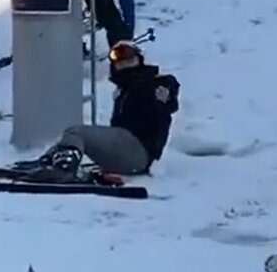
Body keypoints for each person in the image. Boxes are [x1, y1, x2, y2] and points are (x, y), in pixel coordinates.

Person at [31, 40, 179, 176]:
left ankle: (63, 170)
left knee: (76, 133)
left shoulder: (150, 83)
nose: (124, 64)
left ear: (139, 61)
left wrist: (167, 93)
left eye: (130, 60)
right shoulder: (125, 90)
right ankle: (49, 161)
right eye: (120, 62)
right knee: (71, 135)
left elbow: (168, 91)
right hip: (130, 152)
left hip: (138, 152)